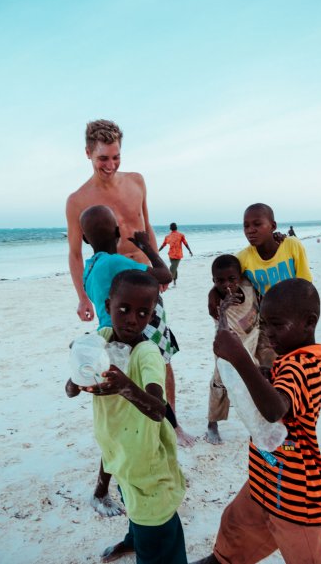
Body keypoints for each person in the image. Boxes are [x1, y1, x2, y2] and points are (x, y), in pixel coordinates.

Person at [66, 119, 194, 447]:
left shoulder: (137, 182)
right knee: (118, 357)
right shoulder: (78, 199)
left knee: (160, 355)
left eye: (115, 157)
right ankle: (127, 429)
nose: (110, 165)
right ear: (88, 154)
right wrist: (82, 297)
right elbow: (77, 254)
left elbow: (147, 226)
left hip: (146, 281)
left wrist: (155, 265)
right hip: (114, 291)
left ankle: (172, 425)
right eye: (102, 159)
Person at [193, 278, 321, 564]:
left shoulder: (304, 364)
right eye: (265, 324)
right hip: (265, 477)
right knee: (235, 523)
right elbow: (273, 386)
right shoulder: (288, 359)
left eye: (278, 325)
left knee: (307, 556)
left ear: (309, 323)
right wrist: (259, 370)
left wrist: (241, 357)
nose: (269, 334)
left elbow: (274, 410)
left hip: (296, 495)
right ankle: (224, 559)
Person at [66, 270, 187, 564]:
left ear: (152, 315)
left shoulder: (146, 353)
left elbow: (158, 409)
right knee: (133, 504)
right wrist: (76, 378)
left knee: (156, 526)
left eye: (143, 313)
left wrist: (125, 387)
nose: (133, 319)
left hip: (147, 464)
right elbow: (72, 388)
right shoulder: (102, 339)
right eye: (124, 309)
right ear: (107, 306)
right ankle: (133, 540)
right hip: (119, 452)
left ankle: (149, 547)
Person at [80, 204, 177, 517]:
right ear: (118, 233)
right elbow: (163, 275)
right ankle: (109, 488)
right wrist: (146, 246)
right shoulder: (113, 262)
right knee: (132, 418)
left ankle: (105, 488)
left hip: (107, 340)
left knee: (115, 423)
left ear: (83, 238)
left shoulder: (90, 266)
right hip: (127, 345)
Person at [206, 255, 261, 445]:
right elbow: (221, 332)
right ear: (213, 281)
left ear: (240, 277)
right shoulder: (216, 304)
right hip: (226, 346)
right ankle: (212, 423)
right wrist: (222, 309)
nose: (226, 284)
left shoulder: (247, 284)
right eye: (220, 281)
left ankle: (260, 419)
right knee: (220, 382)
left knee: (257, 379)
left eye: (231, 279)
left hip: (253, 340)